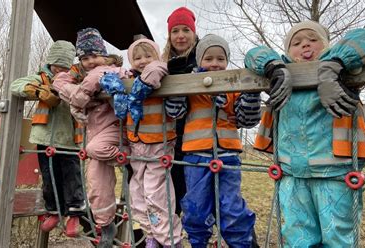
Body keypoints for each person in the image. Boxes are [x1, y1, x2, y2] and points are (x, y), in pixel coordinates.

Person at [245, 20, 365, 247]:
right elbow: (253, 54)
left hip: (336, 174)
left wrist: (334, 65)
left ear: (327, 45)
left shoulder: (343, 69)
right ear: (287, 51)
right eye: (297, 42)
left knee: (338, 238)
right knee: (297, 237)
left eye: (314, 40)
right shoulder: (281, 73)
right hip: (292, 174)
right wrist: (274, 67)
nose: (306, 46)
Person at [166, 34, 261, 248]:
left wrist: (251, 92)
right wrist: (180, 88)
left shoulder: (233, 83)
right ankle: (198, 242)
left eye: (220, 59)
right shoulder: (192, 85)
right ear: (199, 61)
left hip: (227, 155)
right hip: (195, 155)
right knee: (196, 206)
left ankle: (241, 243)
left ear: (227, 61)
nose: (214, 64)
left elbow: (247, 118)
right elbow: (175, 112)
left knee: (231, 207)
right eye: (208, 59)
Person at [52, 28, 128, 246]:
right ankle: (106, 225)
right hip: (96, 134)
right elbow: (58, 82)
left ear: (104, 55)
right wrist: (77, 91)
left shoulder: (112, 69)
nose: (90, 62)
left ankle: (129, 155)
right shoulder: (83, 76)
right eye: (85, 58)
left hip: (116, 130)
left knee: (96, 150)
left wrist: (79, 96)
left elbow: (96, 78)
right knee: (96, 184)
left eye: (94, 56)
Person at [107, 38, 183, 247]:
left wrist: (139, 86)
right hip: (137, 146)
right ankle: (151, 234)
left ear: (156, 56)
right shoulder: (129, 78)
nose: (143, 61)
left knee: (157, 193)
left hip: (159, 144)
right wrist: (116, 81)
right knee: (137, 193)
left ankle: (169, 240)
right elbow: (109, 75)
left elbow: (157, 69)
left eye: (147, 55)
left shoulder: (159, 69)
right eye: (137, 57)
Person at [10, 40, 86, 237]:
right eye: (57, 65)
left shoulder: (75, 80)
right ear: (50, 63)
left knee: (73, 178)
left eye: (64, 66)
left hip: (69, 140)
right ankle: (53, 211)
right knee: (49, 177)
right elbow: (15, 85)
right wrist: (36, 91)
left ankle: (74, 215)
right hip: (45, 138)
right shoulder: (42, 78)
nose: (60, 69)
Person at [161, 6, 199, 216]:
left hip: (200, 138)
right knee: (171, 197)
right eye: (175, 31)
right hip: (171, 138)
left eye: (186, 30)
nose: (181, 36)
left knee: (207, 195)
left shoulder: (205, 57)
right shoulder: (163, 62)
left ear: (194, 32)